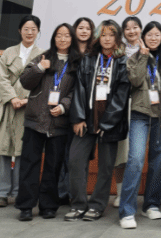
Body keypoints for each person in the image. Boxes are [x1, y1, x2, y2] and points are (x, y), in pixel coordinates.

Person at [65, 20, 131, 222]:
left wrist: (107, 123)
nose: (107, 39)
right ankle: (78, 205)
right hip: (86, 120)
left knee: (106, 167)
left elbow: (121, 96)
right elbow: (79, 89)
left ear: (117, 38)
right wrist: (78, 117)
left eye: (111, 35)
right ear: (97, 37)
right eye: (103, 35)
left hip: (109, 124)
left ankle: (96, 205)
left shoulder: (122, 61)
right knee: (75, 160)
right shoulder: (88, 59)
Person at [15, 23, 80, 220]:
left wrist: (64, 106)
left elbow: (77, 91)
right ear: (54, 38)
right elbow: (25, 82)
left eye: (66, 35)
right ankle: (26, 206)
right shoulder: (43, 57)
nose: (62, 39)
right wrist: (39, 69)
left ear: (72, 39)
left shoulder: (77, 62)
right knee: (29, 164)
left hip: (59, 122)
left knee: (53, 165)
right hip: (35, 119)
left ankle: (48, 205)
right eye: (59, 35)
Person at [119, 21, 161, 228]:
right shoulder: (134, 57)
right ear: (143, 36)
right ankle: (127, 211)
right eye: (149, 34)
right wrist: (143, 56)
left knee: (158, 161)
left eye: (157, 34)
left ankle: (151, 204)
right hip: (140, 113)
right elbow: (134, 81)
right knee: (135, 159)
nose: (153, 38)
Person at [0, 15, 44, 207]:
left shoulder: (43, 54)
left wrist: (26, 100)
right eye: (26, 29)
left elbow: (44, 83)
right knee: (4, 149)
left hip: (30, 108)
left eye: (33, 29)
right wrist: (13, 98)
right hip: (9, 106)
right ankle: (0, 193)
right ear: (20, 31)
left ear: (38, 32)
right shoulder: (8, 52)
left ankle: (19, 191)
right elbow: (2, 79)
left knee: (24, 150)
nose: (29, 32)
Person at [58, 17, 95, 206]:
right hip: (63, 109)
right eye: (80, 27)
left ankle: (77, 193)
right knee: (64, 153)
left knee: (80, 155)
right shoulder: (68, 51)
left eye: (87, 28)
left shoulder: (94, 53)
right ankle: (62, 192)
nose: (84, 31)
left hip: (84, 112)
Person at [113, 16, 143, 206]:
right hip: (122, 104)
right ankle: (119, 193)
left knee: (137, 152)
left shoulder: (148, 48)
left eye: (135, 27)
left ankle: (132, 193)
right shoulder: (118, 51)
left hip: (143, 104)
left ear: (141, 29)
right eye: (128, 28)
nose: (132, 31)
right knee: (121, 150)